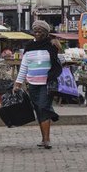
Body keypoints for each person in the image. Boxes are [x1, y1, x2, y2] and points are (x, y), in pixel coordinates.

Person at [13, 20, 62, 149]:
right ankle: (43, 138)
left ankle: (47, 140)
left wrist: (57, 49)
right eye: (35, 31)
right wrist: (18, 83)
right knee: (39, 110)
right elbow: (24, 67)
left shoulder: (52, 45)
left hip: (47, 84)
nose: (37, 33)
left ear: (46, 33)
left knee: (43, 108)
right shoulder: (28, 47)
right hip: (32, 84)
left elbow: (58, 62)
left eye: (40, 31)